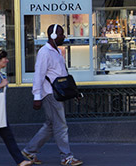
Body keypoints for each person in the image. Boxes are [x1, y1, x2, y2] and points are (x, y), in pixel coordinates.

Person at [22, 24, 83, 166]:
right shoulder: (45, 52)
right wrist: (36, 97)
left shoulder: (56, 51)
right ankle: (66, 157)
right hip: (50, 94)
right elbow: (39, 75)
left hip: (58, 93)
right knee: (61, 125)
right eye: (62, 34)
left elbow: (62, 74)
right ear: (53, 36)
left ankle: (30, 151)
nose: (64, 37)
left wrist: (74, 91)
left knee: (51, 125)